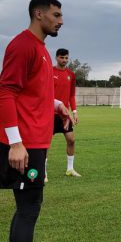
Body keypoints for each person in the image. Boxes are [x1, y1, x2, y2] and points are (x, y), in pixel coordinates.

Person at [0, 0, 70, 242]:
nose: (60, 21)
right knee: (28, 211)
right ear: (39, 14)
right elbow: (7, 92)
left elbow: (30, 92)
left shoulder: (40, 49)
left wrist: (56, 104)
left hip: (34, 141)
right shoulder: (23, 45)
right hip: (24, 145)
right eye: (56, 14)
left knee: (26, 208)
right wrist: (15, 143)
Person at [50, 48, 81, 179]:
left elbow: (71, 95)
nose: (64, 60)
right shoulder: (49, 71)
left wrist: (74, 112)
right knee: (45, 144)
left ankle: (70, 169)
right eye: (62, 58)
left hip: (65, 115)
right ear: (57, 58)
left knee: (71, 140)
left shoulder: (71, 74)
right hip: (49, 113)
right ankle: (44, 173)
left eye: (66, 58)